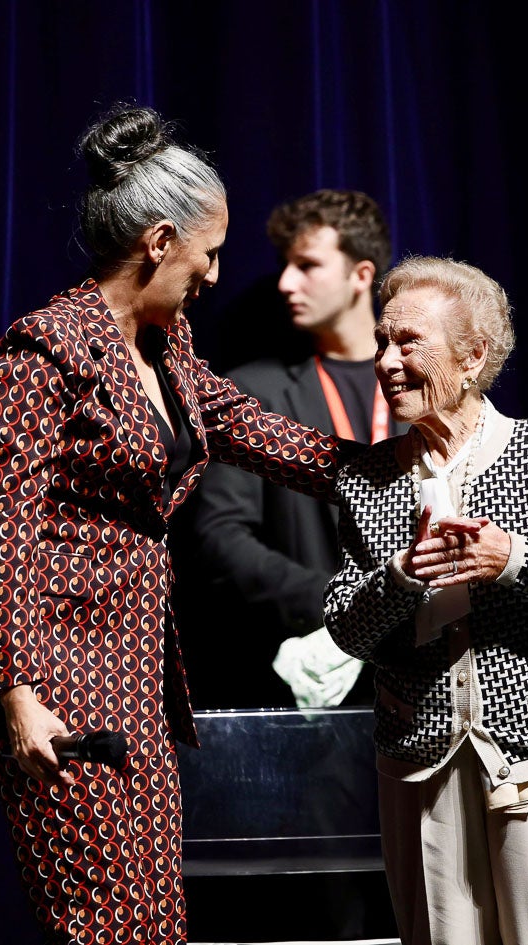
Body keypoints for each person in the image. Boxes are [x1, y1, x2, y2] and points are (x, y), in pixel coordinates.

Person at [0, 103, 354, 945]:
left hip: (134, 668)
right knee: (101, 920)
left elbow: (242, 424)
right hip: (54, 672)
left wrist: (382, 467)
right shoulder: (44, 348)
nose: (217, 275)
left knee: (155, 919)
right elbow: (0, 525)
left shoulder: (166, 342)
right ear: (159, 241)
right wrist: (19, 695)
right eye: (210, 252)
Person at [324, 256, 528, 944]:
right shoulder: (366, 479)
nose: (386, 360)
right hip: (421, 760)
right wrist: (401, 577)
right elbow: (346, 629)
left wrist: (513, 559)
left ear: (471, 356)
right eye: (382, 340)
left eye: (407, 341)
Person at [178, 188, 397, 710]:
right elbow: (220, 536)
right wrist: (351, 606)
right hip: (303, 687)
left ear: (361, 275)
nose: (286, 282)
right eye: (285, 265)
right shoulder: (255, 393)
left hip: (425, 680)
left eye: (308, 265)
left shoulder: (424, 392)